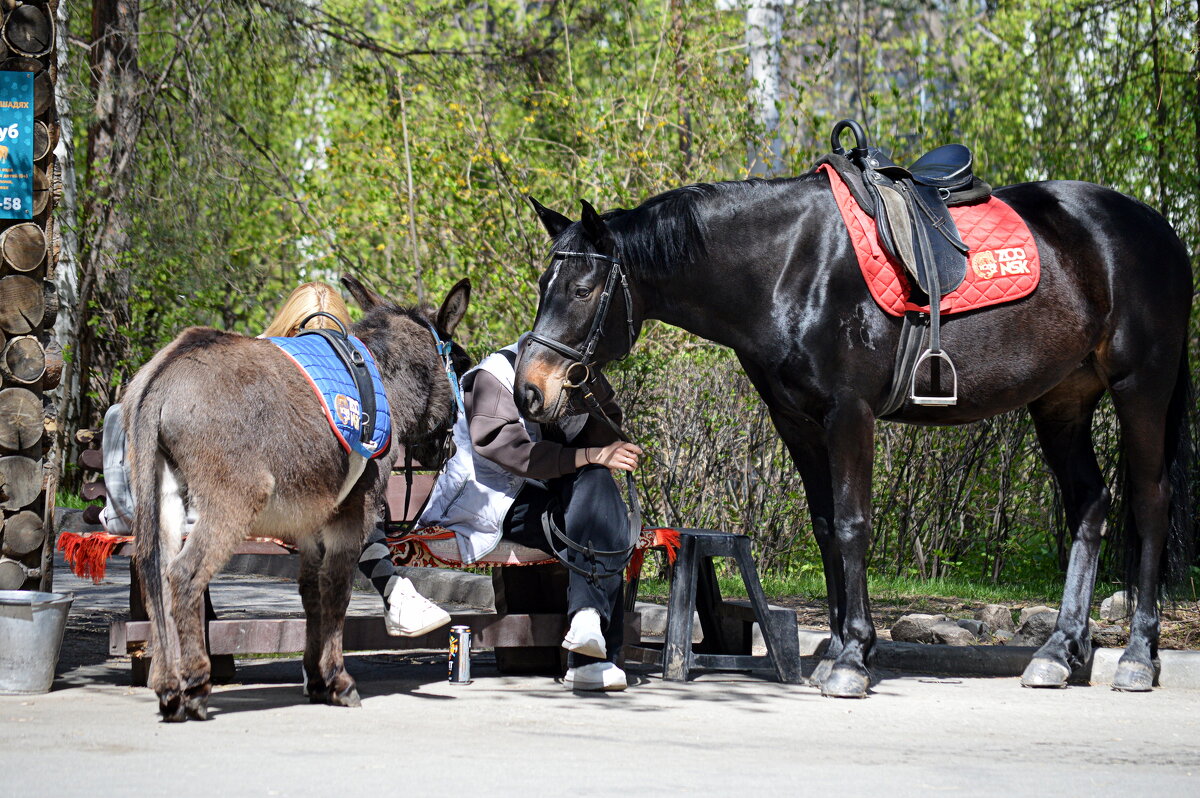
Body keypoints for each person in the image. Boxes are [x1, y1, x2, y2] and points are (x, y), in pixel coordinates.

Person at [98, 281, 450, 638]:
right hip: (254, 502)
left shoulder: (294, 370)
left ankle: (392, 593)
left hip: (273, 499)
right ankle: (392, 591)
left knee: (350, 511)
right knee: (347, 515)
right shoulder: (256, 370)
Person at [415, 336, 642, 691]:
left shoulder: (573, 372)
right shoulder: (493, 376)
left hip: (545, 492)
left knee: (598, 497)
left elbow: (601, 435)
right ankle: (592, 660)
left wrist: (590, 392)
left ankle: (586, 620)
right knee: (596, 527)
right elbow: (511, 452)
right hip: (489, 498)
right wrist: (590, 456)